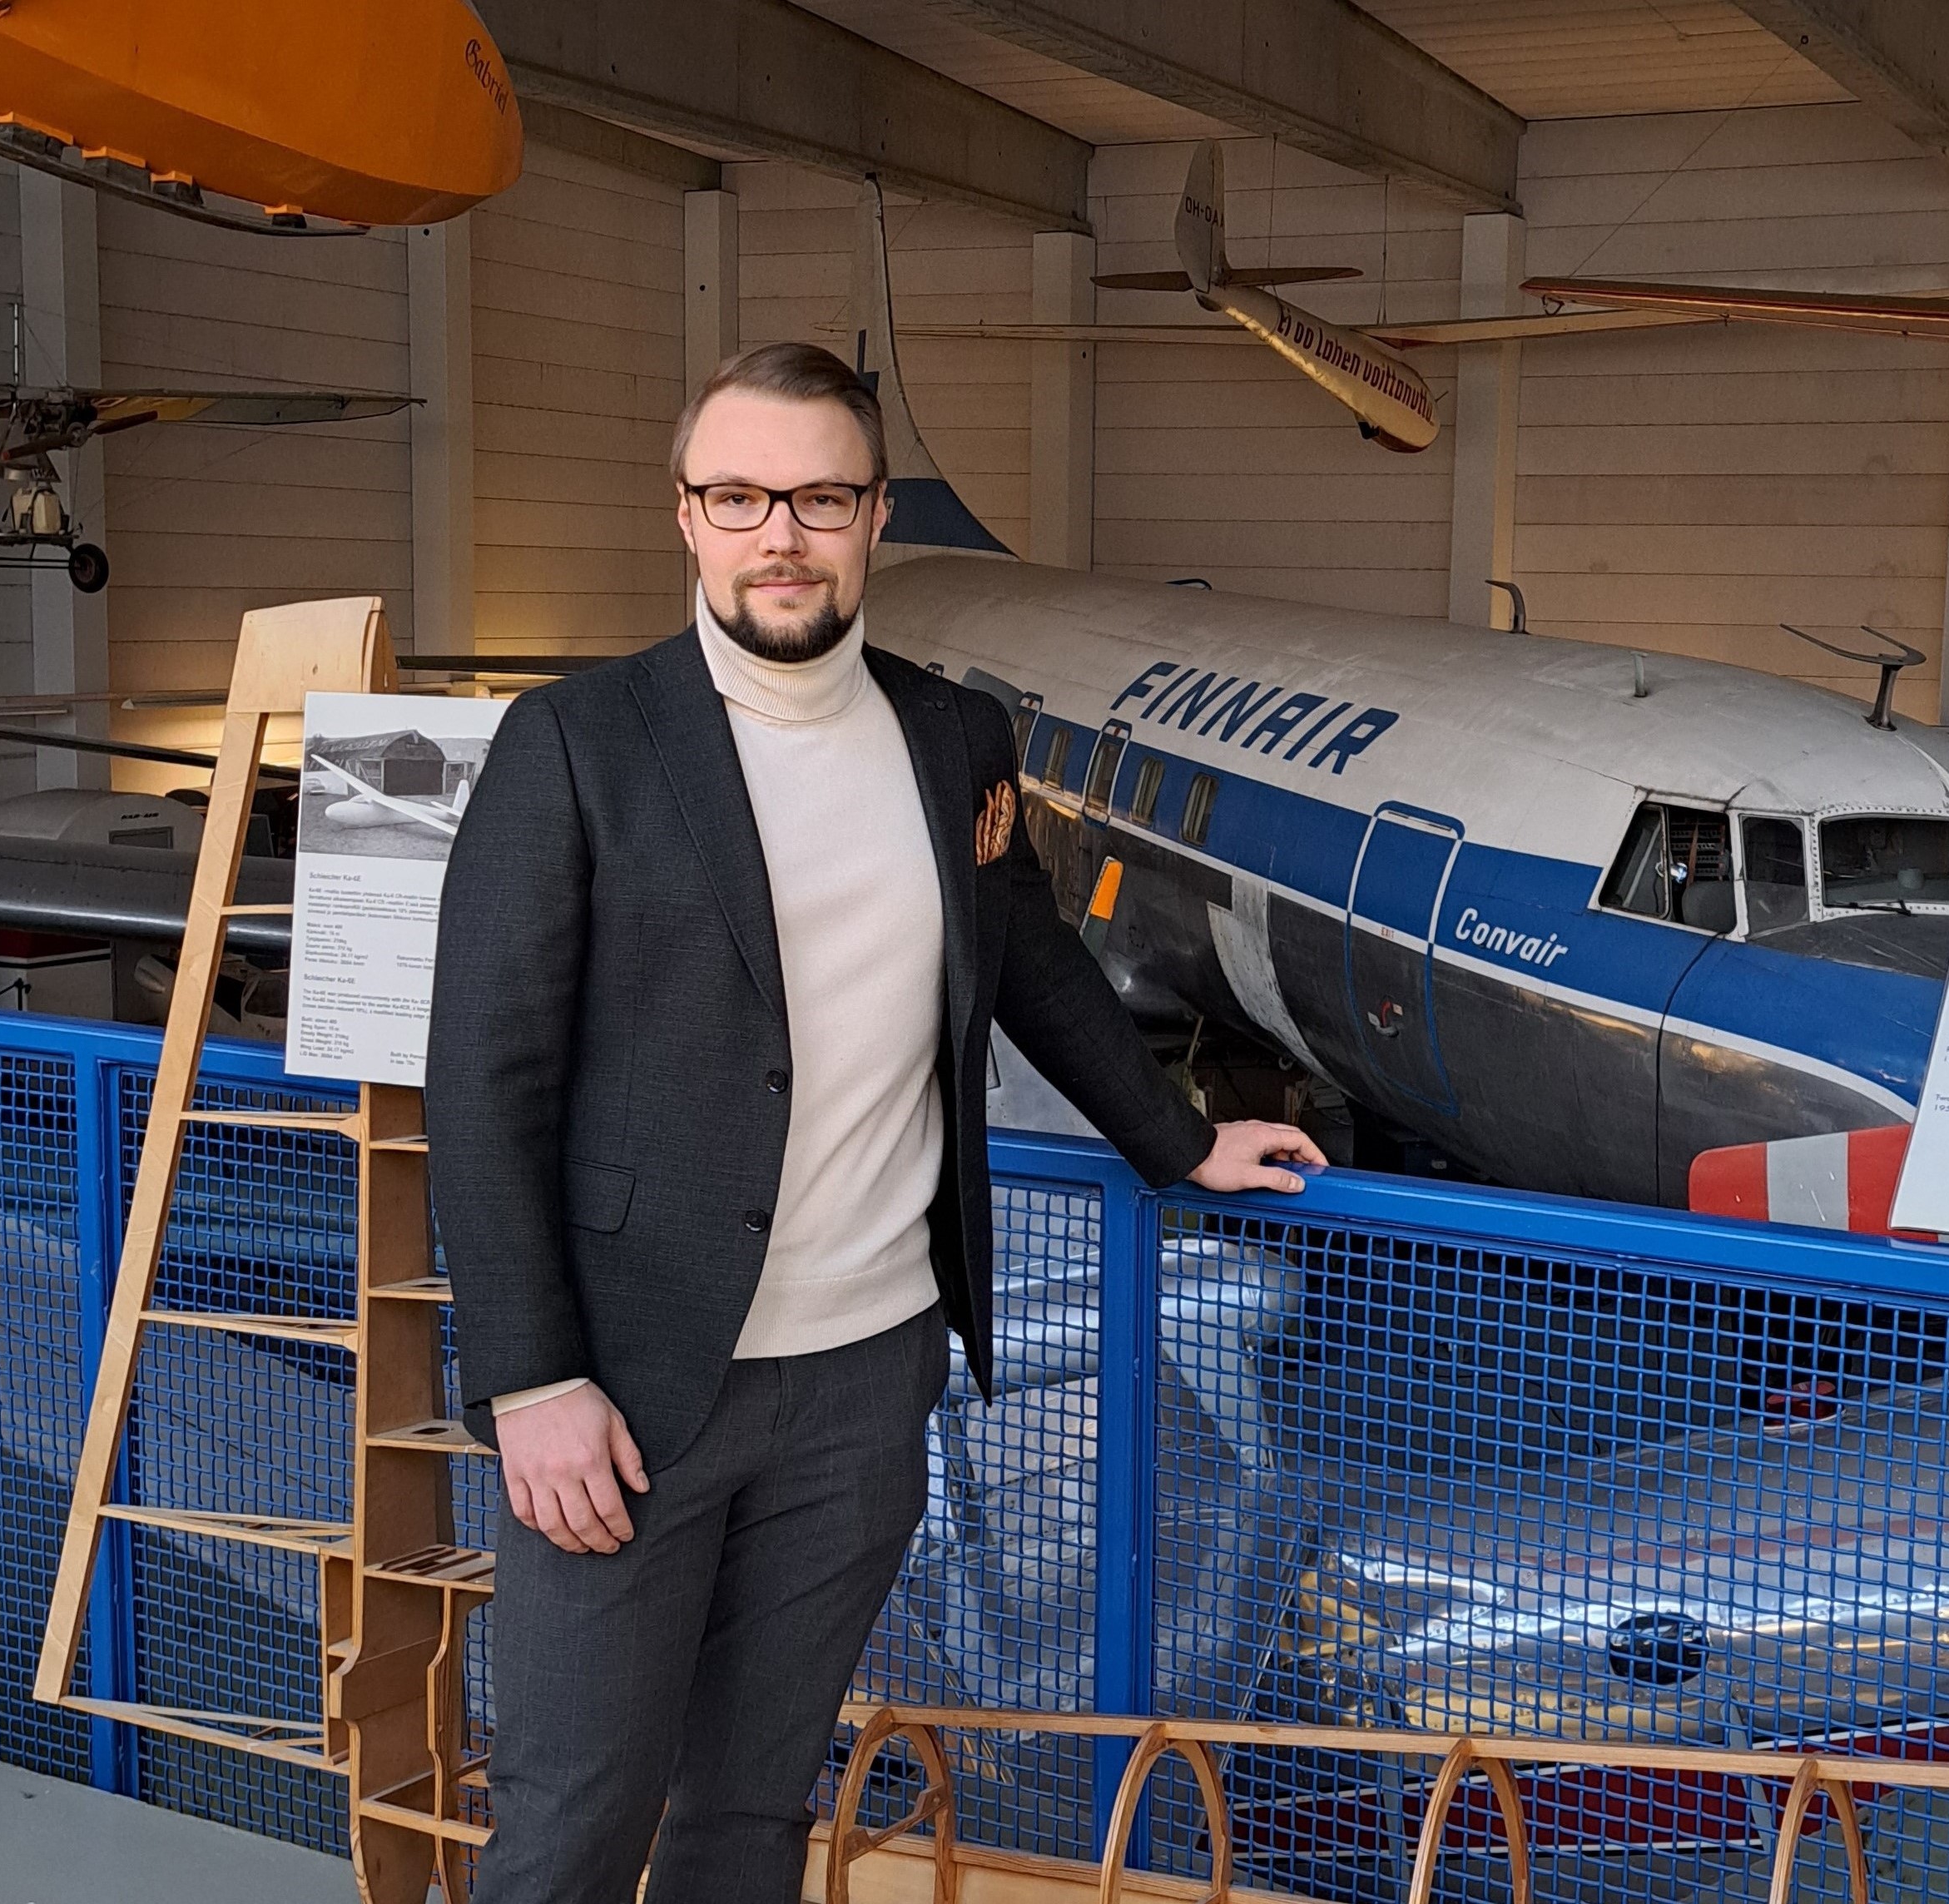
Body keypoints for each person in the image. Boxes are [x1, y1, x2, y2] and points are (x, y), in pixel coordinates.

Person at [427, 340, 1324, 1904]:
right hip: (628, 1385)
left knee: (751, 1809)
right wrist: (531, 1377)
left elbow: (1025, 950)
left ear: (873, 516)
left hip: (866, 1375)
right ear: (686, 515)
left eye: (819, 498)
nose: (779, 534)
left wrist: (1177, 1140)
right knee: (573, 1819)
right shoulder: (574, 741)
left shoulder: (951, 735)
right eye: (739, 497)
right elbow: (483, 1078)